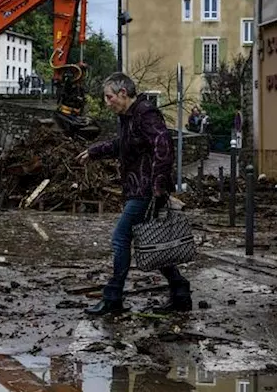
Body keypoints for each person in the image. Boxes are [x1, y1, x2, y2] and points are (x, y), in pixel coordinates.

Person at [77, 72, 192, 314]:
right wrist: (95, 151)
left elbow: (163, 144)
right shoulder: (129, 117)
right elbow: (123, 144)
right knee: (151, 241)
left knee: (121, 238)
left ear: (123, 93)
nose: (107, 102)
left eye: (109, 97)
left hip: (146, 189)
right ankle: (180, 291)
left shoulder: (145, 113)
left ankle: (113, 297)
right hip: (138, 188)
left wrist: (159, 183)